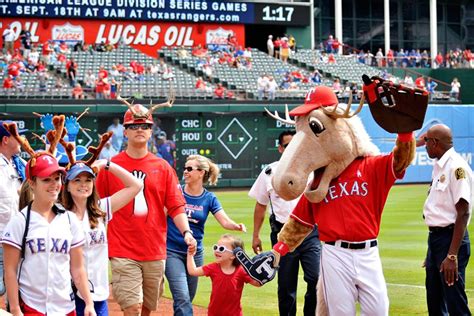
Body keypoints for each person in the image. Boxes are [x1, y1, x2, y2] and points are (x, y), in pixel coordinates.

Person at [95, 102, 196, 315]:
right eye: (133, 126)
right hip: (122, 248)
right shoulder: (110, 166)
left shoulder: (163, 167)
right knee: (132, 307)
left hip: (154, 248)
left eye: (144, 125)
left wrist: (186, 232)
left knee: (148, 307)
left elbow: (176, 205)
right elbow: (96, 207)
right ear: (125, 131)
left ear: (151, 131)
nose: (139, 129)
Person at [1, 119, 96, 315]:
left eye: (57, 178)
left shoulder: (70, 220)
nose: (54, 184)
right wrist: (16, 309)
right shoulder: (20, 221)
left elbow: (78, 270)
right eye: (46, 179)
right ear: (32, 183)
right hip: (32, 307)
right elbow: (10, 271)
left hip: (66, 308)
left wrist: (88, 302)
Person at [61, 151, 142, 315]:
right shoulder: (58, 214)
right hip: (69, 291)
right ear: (67, 185)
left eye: (88, 180)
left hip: (98, 291)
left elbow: (136, 186)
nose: (83, 184)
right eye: (77, 180)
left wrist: (106, 164)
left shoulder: (100, 209)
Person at [249, 130, 320, 316]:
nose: (293, 149)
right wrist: (255, 235)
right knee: (286, 285)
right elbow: (260, 205)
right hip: (282, 234)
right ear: (281, 149)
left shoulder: (312, 171)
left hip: (309, 233)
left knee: (316, 279)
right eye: (288, 145)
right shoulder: (269, 172)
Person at [166, 155, 246, 316]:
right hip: (171, 250)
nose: (185, 172)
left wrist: (236, 226)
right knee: (182, 297)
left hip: (194, 252)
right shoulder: (176, 192)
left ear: (201, 172)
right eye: (185, 168)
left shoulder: (209, 198)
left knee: (188, 297)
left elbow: (224, 221)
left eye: (190, 169)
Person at [419, 124, 472, 315]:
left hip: (450, 241)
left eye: (426, 141)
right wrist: (432, 251)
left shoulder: (456, 167)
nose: (424, 145)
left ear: (435, 143)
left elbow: (463, 212)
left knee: (455, 302)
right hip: (436, 240)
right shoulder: (440, 165)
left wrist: (451, 255)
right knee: (434, 300)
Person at [187, 234, 261, 316]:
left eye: (222, 249)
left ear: (233, 255)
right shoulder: (213, 267)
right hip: (214, 313)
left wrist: (263, 276)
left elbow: (257, 283)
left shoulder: (241, 271)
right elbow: (193, 271)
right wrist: (190, 253)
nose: (217, 251)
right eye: (216, 247)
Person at [0, 121, 27, 297]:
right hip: (2, 239)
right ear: (5, 140)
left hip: (17, 239)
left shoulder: (17, 163)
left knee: (17, 290)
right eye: (17, 136)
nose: (22, 139)